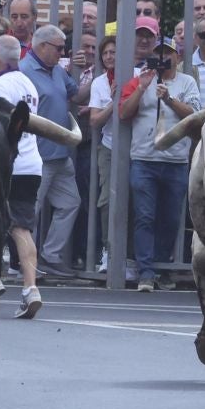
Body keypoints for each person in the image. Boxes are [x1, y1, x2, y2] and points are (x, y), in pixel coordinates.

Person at [118, 27, 201, 292]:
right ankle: (146, 271)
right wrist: (142, 89)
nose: (163, 60)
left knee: (170, 218)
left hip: (175, 160)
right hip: (144, 158)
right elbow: (124, 113)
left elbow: (194, 115)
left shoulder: (187, 81)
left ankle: (162, 266)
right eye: (158, 55)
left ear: (177, 57)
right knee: (144, 216)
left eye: (168, 55)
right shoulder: (139, 78)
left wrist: (170, 99)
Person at [0, 36, 47, 319]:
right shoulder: (28, 84)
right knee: (22, 228)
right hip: (32, 163)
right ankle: (30, 289)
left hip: (9, 164)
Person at [22, 25, 80, 278]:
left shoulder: (56, 70)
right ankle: (26, 263)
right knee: (30, 211)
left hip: (60, 155)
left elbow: (75, 95)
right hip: (38, 157)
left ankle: (50, 256)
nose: (62, 52)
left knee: (70, 203)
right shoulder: (24, 71)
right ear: (42, 46)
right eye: (59, 48)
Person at [86, 33, 121, 274]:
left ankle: (128, 255)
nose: (109, 56)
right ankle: (109, 250)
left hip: (137, 146)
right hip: (108, 145)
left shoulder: (138, 75)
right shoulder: (99, 82)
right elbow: (95, 120)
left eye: (113, 52)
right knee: (107, 200)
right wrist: (114, 101)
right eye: (105, 53)